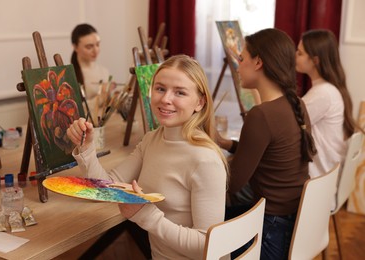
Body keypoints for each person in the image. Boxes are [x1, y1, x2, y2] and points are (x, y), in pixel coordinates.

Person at [67, 54, 228, 259]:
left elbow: (207, 246)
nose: (165, 99)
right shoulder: (152, 139)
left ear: (200, 102)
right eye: (160, 88)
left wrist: (145, 215)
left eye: (179, 92)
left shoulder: (205, 160)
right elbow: (105, 189)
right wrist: (87, 147)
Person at [216, 28, 317, 259]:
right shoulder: (296, 104)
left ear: (258, 62)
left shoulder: (261, 115)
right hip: (292, 220)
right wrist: (225, 143)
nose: (238, 66)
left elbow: (232, 183)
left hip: (271, 227)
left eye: (241, 59)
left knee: (199, 229)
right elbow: (269, 153)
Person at [296, 29, 359, 178]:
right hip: (323, 179)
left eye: (300, 53)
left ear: (315, 60)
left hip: (315, 179)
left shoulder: (323, 93)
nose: (294, 56)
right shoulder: (327, 90)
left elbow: (284, 126)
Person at [71, 23, 116, 126]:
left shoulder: (104, 71)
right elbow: (74, 111)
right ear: (75, 47)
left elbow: (108, 107)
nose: (96, 50)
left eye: (98, 44)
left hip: (103, 126)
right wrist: (100, 97)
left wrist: (112, 96)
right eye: (89, 47)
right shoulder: (70, 75)